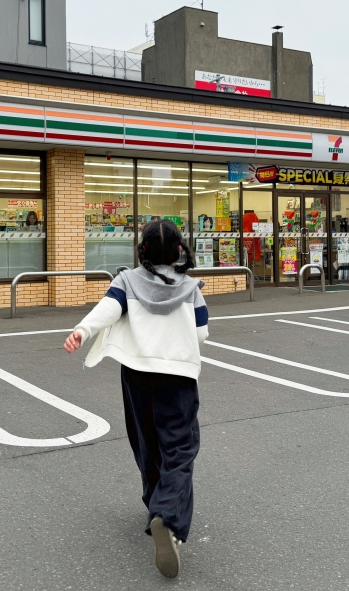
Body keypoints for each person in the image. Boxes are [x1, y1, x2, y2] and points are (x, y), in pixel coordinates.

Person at [63, 219, 208, 579]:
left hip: (137, 375)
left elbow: (108, 310)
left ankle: (154, 503)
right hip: (177, 376)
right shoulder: (191, 288)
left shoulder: (126, 281)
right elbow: (202, 333)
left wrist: (82, 330)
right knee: (180, 447)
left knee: (146, 442)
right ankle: (167, 514)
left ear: (142, 251)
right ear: (179, 251)